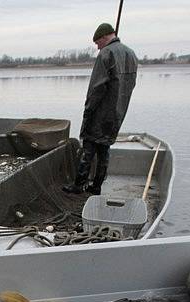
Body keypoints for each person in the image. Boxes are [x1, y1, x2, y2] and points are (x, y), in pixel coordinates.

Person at [63, 23, 138, 195]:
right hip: (118, 112)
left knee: (88, 148)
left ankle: (78, 185)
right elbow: (130, 85)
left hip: (100, 112)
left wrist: (88, 109)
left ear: (105, 37)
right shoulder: (131, 54)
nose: (97, 47)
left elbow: (97, 87)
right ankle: (96, 186)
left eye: (97, 42)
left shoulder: (106, 53)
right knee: (104, 149)